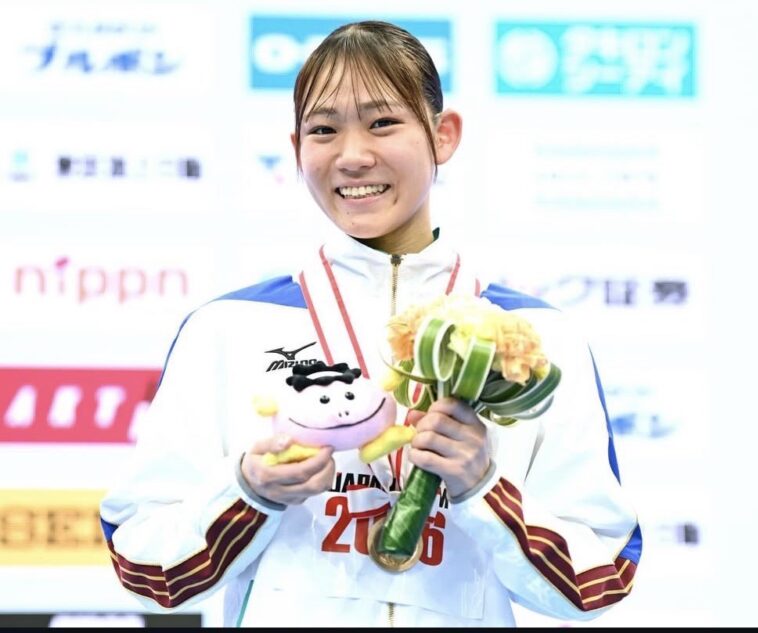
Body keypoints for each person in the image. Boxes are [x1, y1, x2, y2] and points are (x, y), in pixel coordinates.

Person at [100, 20, 642, 627]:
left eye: (382, 123)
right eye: (324, 130)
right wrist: (248, 491)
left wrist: (485, 489)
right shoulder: (226, 329)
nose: (353, 156)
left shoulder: (532, 341)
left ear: (443, 135)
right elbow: (145, 568)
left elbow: (599, 579)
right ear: (297, 148)